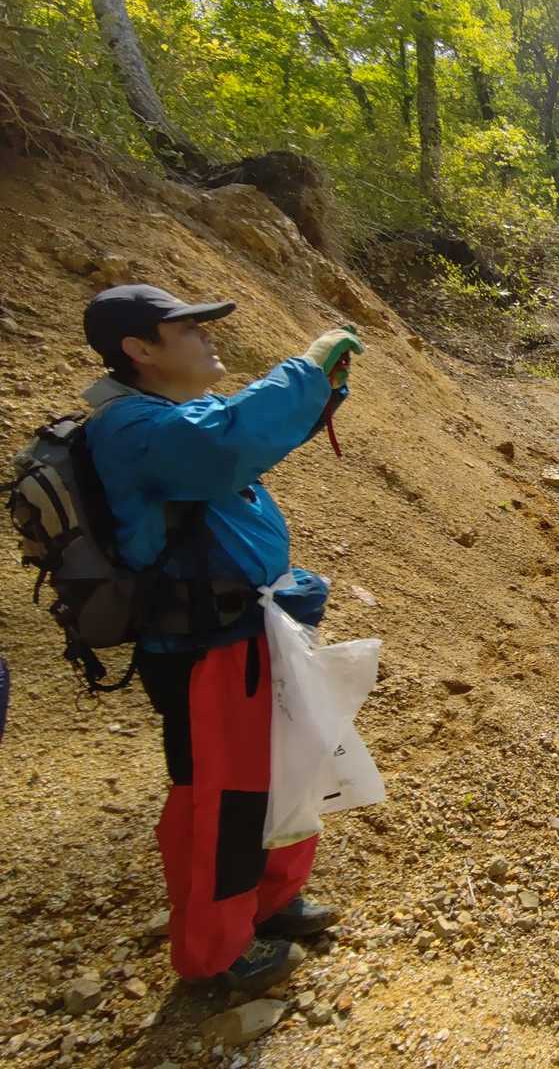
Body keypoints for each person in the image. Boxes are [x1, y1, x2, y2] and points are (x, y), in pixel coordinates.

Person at [80, 283, 364, 992]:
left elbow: (241, 444)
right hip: (207, 649)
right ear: (139, 349)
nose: (208, 338)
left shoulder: (168, 419)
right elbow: (226, 442)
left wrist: (319, 397)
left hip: (247, 634)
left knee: (282, 773)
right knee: (224, 798)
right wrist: (305, 370)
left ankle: (269, 902)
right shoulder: (133, 429)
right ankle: (215, 953)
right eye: (188, 330)